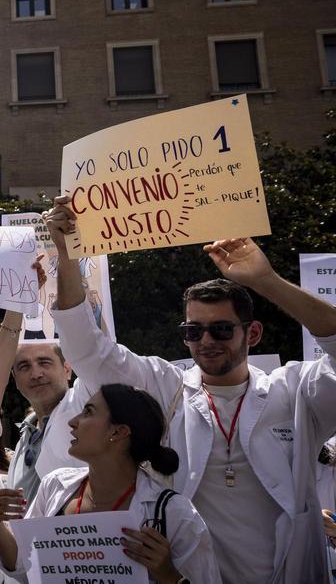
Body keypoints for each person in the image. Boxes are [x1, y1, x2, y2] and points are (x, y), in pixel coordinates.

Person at [45, 198, 336, 583]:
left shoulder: (295, 391)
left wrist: (266, 281)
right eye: (193, 331)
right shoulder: (165, 388)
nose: (206, 341)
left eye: (221, 330)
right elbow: (84, 348)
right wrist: (67, 255)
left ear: (252, 333)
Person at [0, 384, 221, 583]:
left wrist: (169, 575)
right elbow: (25, 566)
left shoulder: (174, 514)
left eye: (88, 412)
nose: (73, 422)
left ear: (118, 432)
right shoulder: (55, 485)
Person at [6, 342, 88, 503]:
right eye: (24, 366)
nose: (36, 374)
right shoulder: (25, 435)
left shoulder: (83, 405)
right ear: (15, 378)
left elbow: (99, 359)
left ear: (67, 369)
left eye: (44, 362)